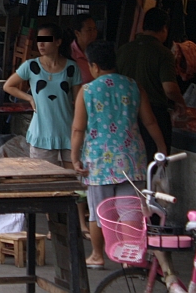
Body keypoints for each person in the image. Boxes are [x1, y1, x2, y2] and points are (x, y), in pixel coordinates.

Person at [71, 41, 167, 269]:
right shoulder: (134, 86)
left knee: (98, 211)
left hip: (98, 162)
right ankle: (129, 257)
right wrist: (162, 147)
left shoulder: (87, 91)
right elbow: (150, 121)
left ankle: (97, 255)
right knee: (130, 210)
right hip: (132, 159)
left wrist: (75, 159)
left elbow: (78, 129)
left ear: (93, 66)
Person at [4, 23, 83, 166]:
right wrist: (29, 98)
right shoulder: (30, 66)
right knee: (44, 178)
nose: (41, 44)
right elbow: (8, 86)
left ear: (58, 42)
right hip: (41, 133)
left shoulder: (72, 67)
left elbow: (79, 102)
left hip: (68, 131)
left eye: (46, 40)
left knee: (73, 180)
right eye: (39, 40)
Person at [117, 7, 185, 159]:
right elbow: (170, 89)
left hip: (126, 113)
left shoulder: (124, 50)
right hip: (155, 113)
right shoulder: (163, 53)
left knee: (132, 158)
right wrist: (181, 103)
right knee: (155, 160)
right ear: (164, 28)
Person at [70, 15, 98, 84]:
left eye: (94, 29)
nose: (93, 33)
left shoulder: (98, 51)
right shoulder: (69, 53)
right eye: (89, 30)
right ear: (77, 33)